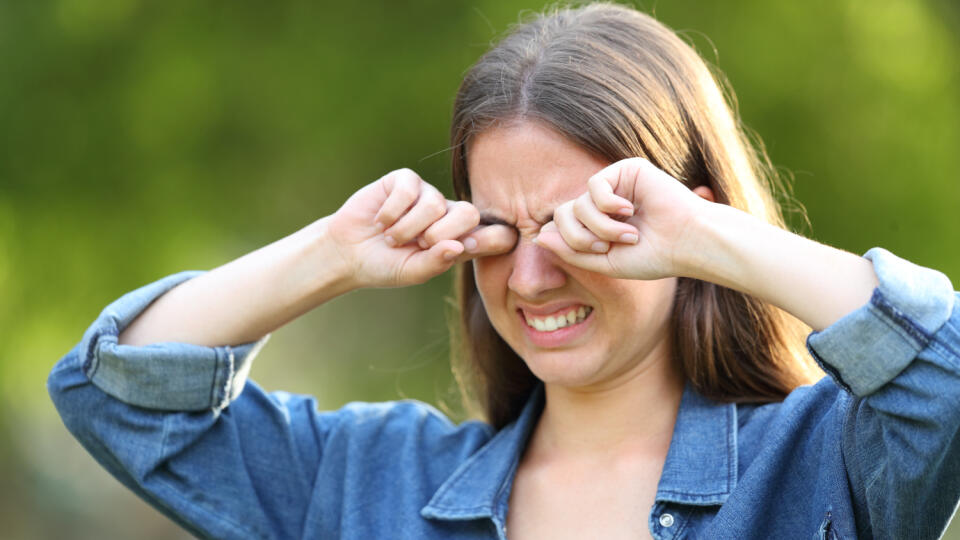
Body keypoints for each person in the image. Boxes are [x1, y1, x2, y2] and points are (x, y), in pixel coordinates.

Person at [48, 3, 960, 539]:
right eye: (496, 229)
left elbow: (945, 370)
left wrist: (709, 237)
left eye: (579, 225)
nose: (529, 277)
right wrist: (329, 253)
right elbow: (117, 396)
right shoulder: (371, 482)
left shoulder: (824, 464)